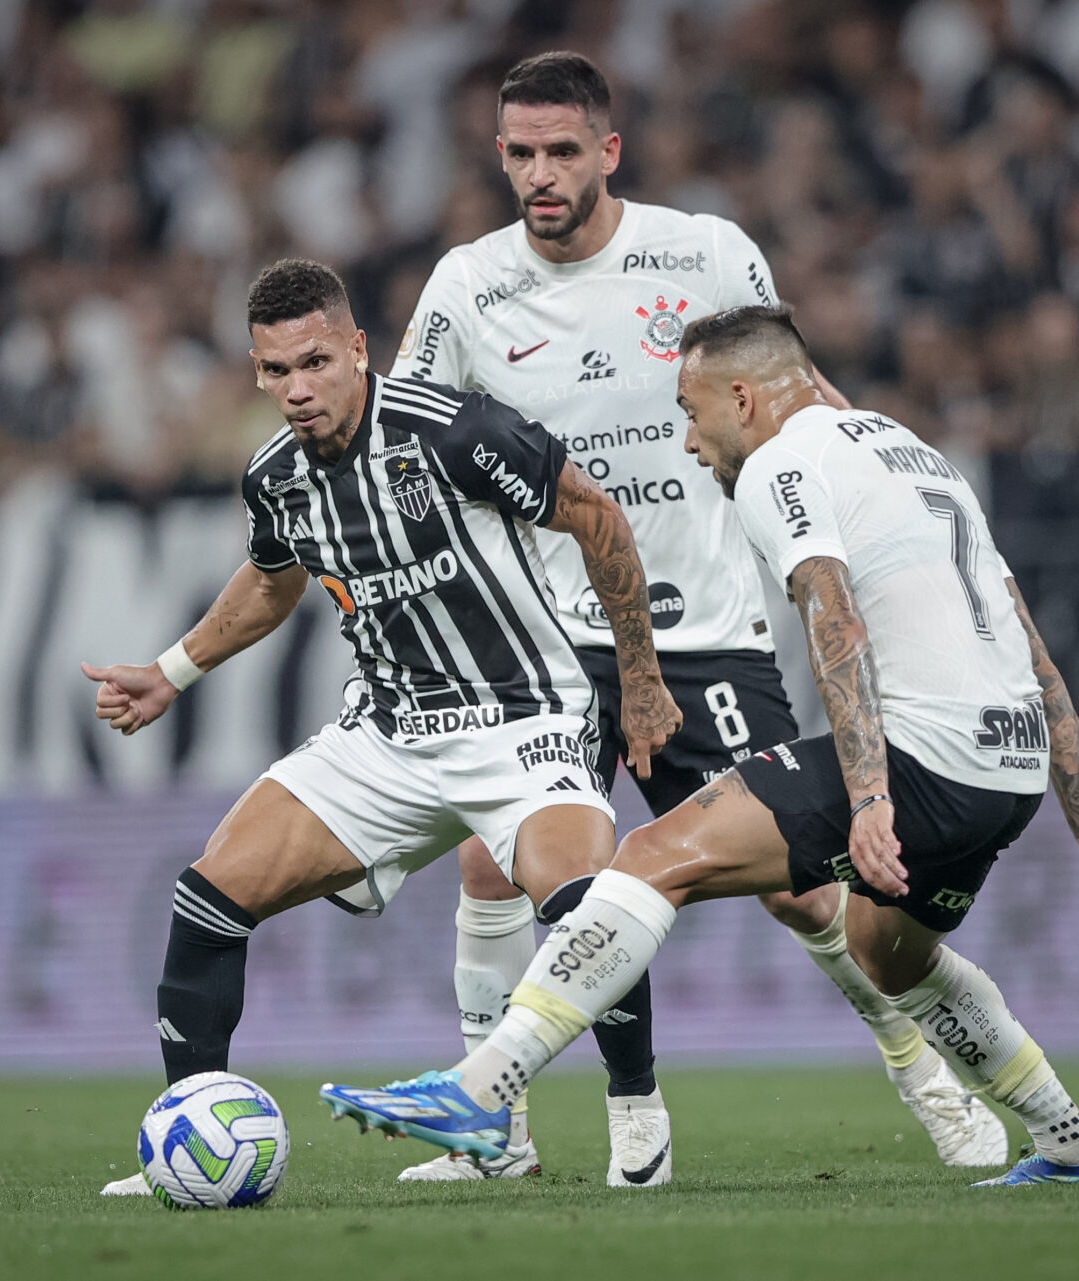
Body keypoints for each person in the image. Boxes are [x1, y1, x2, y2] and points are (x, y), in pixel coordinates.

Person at [325, 306, 1079, 1187]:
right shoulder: (915, 451)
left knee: (651, 854)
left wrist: (874, 797)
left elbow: (833, 615)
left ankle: (481, 1086)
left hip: (927, 758)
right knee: (889, 953)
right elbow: (1031, 647)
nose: (692, 445)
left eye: (692, 415)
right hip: (1008, 770)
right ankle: (1075, 1147)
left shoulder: (781, 463)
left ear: (743, 398)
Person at [389, 52, 1006, 1186]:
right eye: (519, 153)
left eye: (562, 151)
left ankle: (921, 1071)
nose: (539, 173)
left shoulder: (707, 252)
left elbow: (795, 394)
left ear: (609, 151)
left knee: (803, 891)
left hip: (707, 629)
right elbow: (407, 432)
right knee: (493, 866)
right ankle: (498, 1137)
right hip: (551, 636)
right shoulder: (466, 285)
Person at [92, 257, 681, 1196]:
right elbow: (272, 579)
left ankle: (636, 1110)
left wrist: (641, 683)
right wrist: (172, 672)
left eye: (315, 362)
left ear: (359, 349)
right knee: (208, 897)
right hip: (389, 736)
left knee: (581, 903)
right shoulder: (277, 477)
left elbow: (598, 518)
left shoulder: (453, 431)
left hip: (522, 716)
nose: (297, 388)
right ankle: (189, 1136)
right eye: (275, 370)